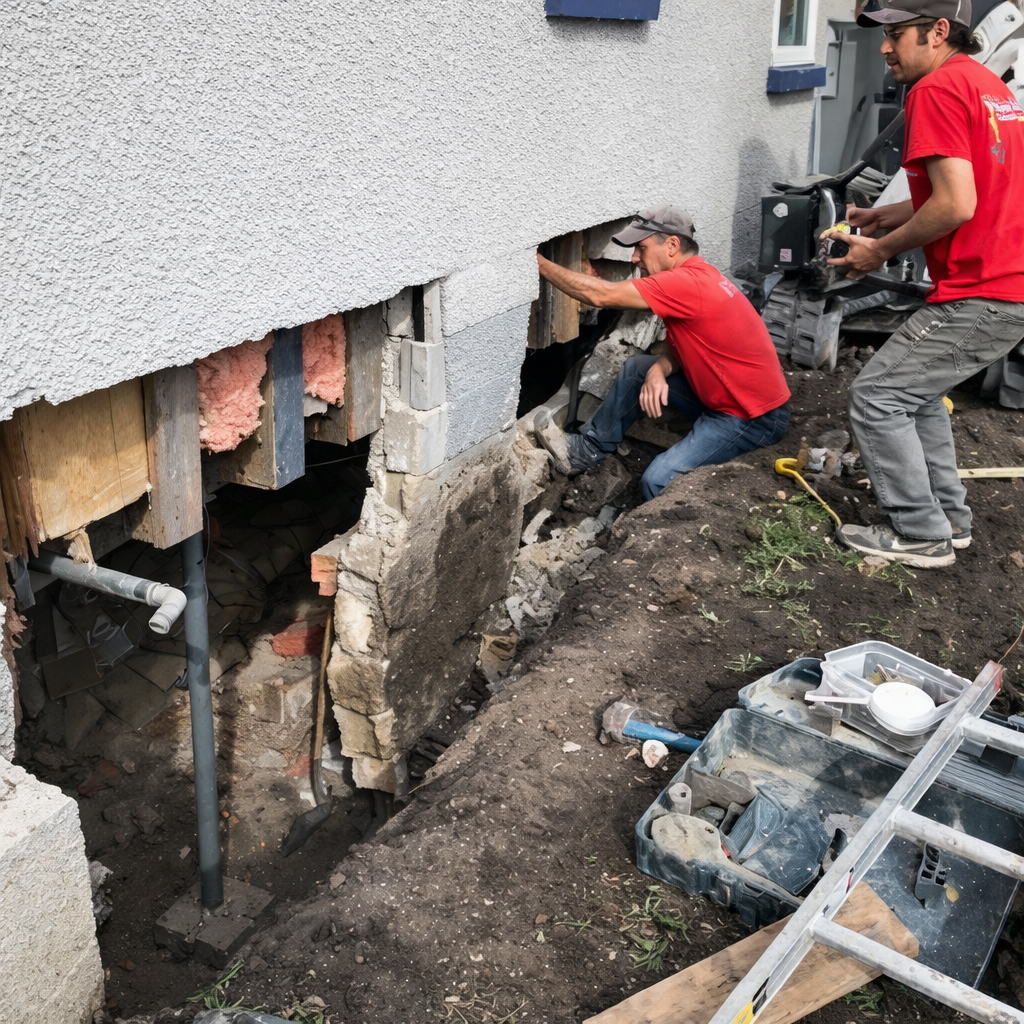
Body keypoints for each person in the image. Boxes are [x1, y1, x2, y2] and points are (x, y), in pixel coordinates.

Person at [824, 0, 1024, 568]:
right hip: (1008, 283)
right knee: (914, 396)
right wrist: (887, 217)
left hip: (984, 289)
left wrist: (878, 253)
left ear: (938, 32)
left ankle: (918, 533)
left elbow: (957, 204)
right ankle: (949, 520)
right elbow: (973, 187)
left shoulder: (933, 90)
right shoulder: (986, 84)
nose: (885, 47)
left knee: (876, 397)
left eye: (896, 34)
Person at [535, 206, 791, 501]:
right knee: (638, 370)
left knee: (657, 480)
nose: (634, 258)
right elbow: (687, 340)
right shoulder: (700, 275)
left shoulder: (685, 283)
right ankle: (589, 450)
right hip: (725, 398)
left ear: (672, 245)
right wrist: (659, 370)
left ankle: (650, 531)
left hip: (752, 417)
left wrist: (539, 263)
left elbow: (600, 295)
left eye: (641, 249)